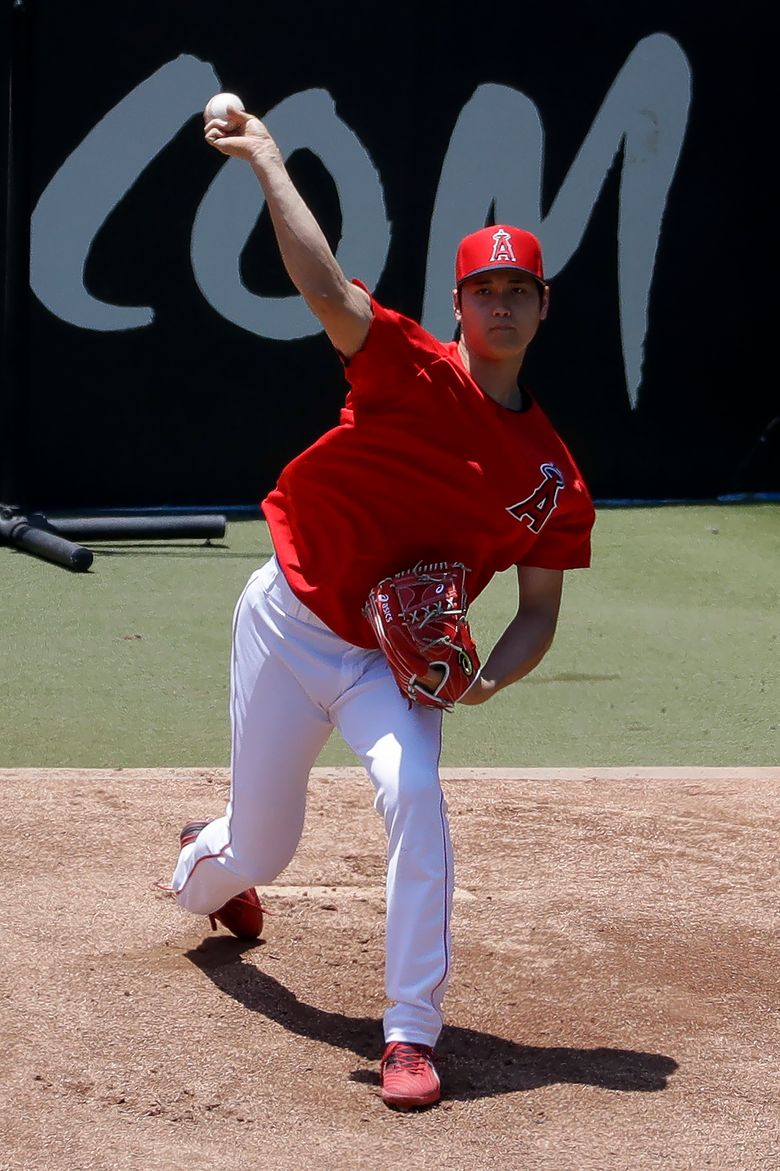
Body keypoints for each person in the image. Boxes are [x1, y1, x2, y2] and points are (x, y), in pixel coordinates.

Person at [169, 102, 596, 1111]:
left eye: (519, 291)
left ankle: (409, 1032)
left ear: (543, 308)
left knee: (415, 795)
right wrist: (266, 157)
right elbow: (321, 284)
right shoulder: (405, 366)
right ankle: (208, 859)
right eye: (485, 289)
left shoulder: (554, 479)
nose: (501, 304)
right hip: (289, 616)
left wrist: (486, 678)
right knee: (256, 849)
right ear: (458, 303)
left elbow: (538, 609)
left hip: (391, 663)